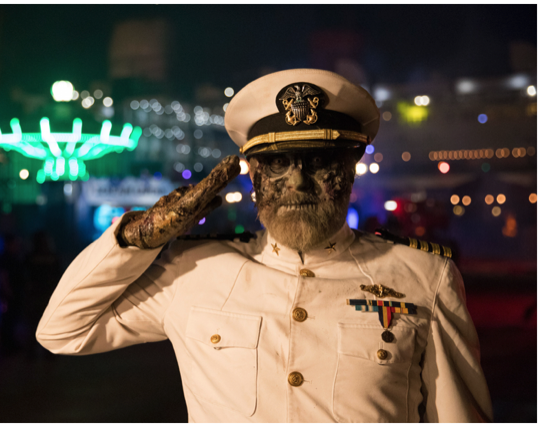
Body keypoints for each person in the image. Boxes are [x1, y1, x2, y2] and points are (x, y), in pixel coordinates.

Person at [37, 69, 492, 422]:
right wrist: (133, 240)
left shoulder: (421, 276)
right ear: (252, 177)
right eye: (277, 163)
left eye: (319, 162)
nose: (298, 182)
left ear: (351, 170)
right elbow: (62, 331)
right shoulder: (194, 272)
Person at [23, 231, 61, 359]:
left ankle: (32, 352)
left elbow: (24, 276)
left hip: (35, 295)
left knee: (33, 325)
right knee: (49, 325)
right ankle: (48, 352)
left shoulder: (30, 257)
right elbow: (59, 276)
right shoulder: (52, 256)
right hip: (48, 295)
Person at [0, 234, 25, 355]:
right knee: (7, 319)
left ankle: (10, 341)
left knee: (13, 318)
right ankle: (6, 343)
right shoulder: (5, 257)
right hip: (8, 294)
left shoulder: (15, 257)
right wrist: (8, 291)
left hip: (14, 292)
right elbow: (3, 276)